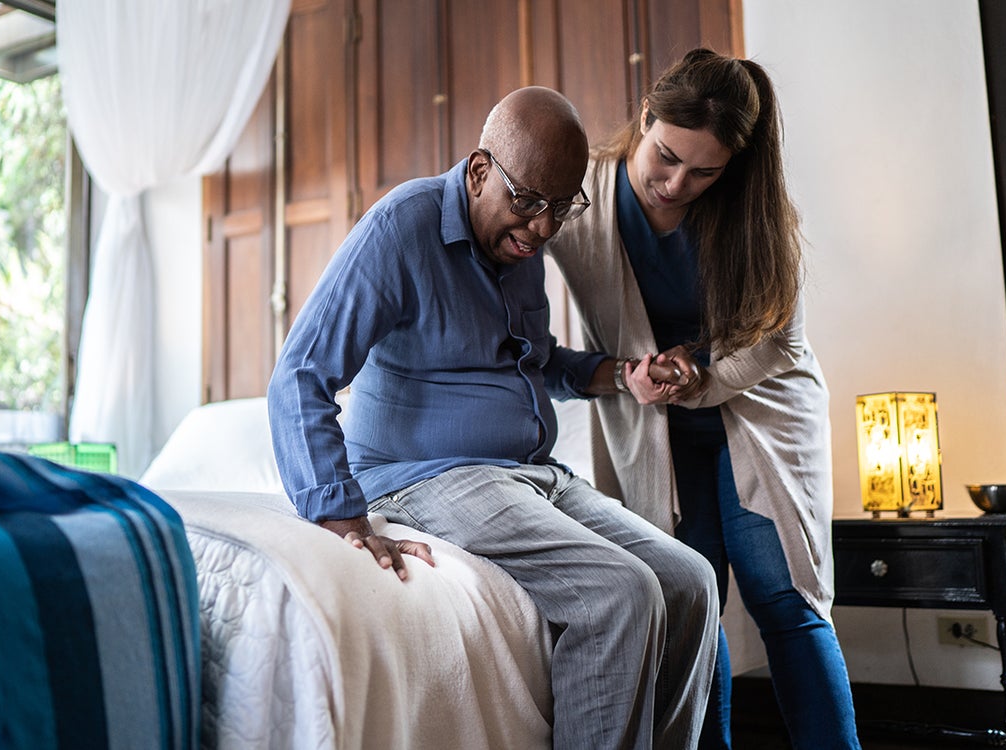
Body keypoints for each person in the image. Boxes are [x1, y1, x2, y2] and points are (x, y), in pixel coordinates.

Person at [267, 86, 719, 749]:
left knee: (689, 582)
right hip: (425, 476)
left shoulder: (518, 249)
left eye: (560, 208)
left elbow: (535, 362)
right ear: (480, 172)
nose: (541, 228)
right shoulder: (400, 230)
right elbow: (300, 374)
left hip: (530, 472)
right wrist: (343, 519)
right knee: (618, 595)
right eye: (528, 203)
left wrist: (621, 374)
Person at [546, 49, 861, 749]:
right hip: (654, 420)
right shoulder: (582, 199)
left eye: (704, 172)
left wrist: (699, 373)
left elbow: (777, 342)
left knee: (783, 594)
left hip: (761, 409)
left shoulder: (754, 214)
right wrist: (617, 372)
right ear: (646, 118)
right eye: (665, 157)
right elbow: (524, 326)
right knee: (692, 600)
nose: (676, 183)